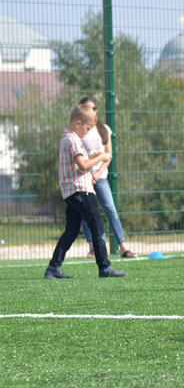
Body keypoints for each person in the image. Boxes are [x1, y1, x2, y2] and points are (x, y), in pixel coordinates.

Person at [45, 104, 127, 279]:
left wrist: (91, 156)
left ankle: (53, 267)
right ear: (78, 123)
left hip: (71, 192)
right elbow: (82, 166)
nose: (88, 132)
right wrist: (101, 157)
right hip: (81, 190)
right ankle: (105, 268)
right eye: (87, 128)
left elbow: (79, 162)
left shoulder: (66, 138)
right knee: (97, 226)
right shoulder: (74, 139)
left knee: (72, 230)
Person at [77, 97, 137, 258]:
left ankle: (123, 247)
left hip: (100, 177)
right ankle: (93, 249)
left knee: (111, 210)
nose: (93, 112)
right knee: (87, 213)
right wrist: (90, 166)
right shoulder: (81, 131)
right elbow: (80, 158)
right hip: (85, 177)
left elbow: (108, 155)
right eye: (89, 109)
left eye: (95, 108)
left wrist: (98, 172)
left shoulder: (104, 129)